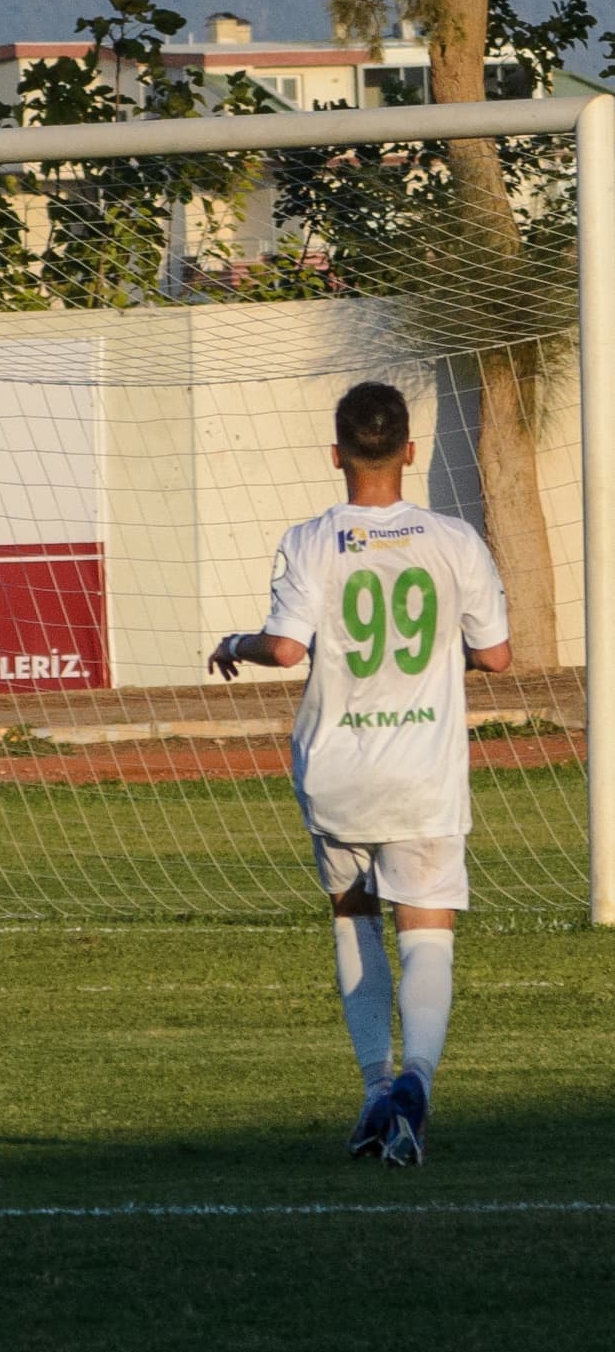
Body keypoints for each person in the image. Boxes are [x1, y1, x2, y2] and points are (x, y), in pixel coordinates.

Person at [209, 381, 509, 1168]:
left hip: (338, 774)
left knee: (352, 916)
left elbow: (282, 650)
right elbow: (499, 655)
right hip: (423, 772)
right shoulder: (454, 540)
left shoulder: (310, 538)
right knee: (427, 934)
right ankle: (416, 1081)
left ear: (336, 454)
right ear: (407, 451)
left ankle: (376, 1087)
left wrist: (233, 640)